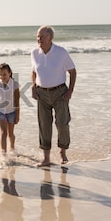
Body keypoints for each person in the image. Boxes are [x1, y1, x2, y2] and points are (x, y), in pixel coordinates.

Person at [31, 25, 77, 167]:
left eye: (42, 36)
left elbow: (73, 72)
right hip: (41, 94)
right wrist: (33, 86)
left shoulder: (61, 52)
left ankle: (63, 152)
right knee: (44, 125)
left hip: (60, 93)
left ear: (50, 37)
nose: (39, 39)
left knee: (62, 124)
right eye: (38, 36)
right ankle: (46, 158)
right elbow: (33, 71)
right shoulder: (34, 53)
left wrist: (70, 91)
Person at [0, 63, 20, 161]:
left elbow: (17, 101)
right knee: (3, 133)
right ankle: (3, 155)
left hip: (11, 112)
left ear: (9, 73)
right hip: (0, 111)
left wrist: (17, 115)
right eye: (1, 74)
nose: (2, 76)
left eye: (4, 74)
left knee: (10, 134)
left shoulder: (15, 84)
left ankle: (12, 148)